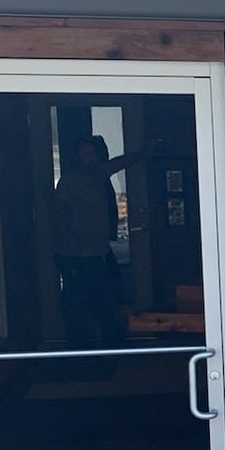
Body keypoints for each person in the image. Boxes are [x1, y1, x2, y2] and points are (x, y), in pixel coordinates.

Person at [50, 133, 138, 348]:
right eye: (85, 155)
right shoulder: (70, 181)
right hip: (76, 255)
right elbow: (58, 214)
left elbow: (120, 163)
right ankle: (79, 350)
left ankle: (111, 345)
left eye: (94, 154)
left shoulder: (98, 174)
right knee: (79, 302)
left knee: (105, 297)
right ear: (77, 157)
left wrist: (144, 153)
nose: (90, 159)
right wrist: (73, 245)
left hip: (98, 252)